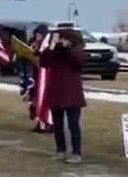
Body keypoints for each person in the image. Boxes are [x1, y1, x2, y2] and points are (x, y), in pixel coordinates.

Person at [40, 28, 87, 165]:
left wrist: (67, 49)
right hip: (56, 93)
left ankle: (76, 153)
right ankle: (60, 150)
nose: (61, 40)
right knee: (58, 125)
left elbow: (78, 61)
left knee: (73, 125)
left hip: (72, 94)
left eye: (63, 38)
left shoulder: (78, 50)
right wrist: (52, 46)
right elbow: (44, 62)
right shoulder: (55, 51)